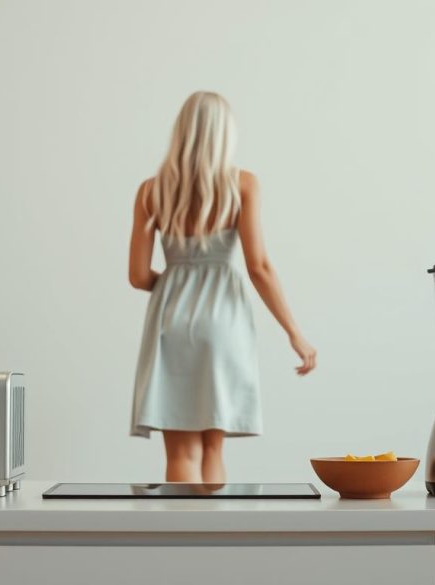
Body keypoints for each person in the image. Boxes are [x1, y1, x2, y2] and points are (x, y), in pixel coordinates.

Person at [128, 91, 317, 483]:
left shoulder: (151, 191)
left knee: (181, 452)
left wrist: (176, 285)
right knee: (213, 448)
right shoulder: (243, 185)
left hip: (171, 323)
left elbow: (138, 275)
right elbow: (259, 267)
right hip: (223, 320)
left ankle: (181, 540)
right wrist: (294, 333)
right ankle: (212, 539)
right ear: (224, 134)